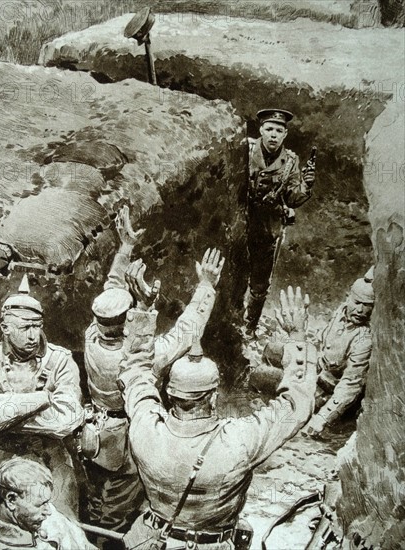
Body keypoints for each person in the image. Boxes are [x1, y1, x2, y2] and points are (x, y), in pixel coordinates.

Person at [117, 259, 317, 550]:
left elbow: (135, 368)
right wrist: (298, 338)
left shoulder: (145, 426)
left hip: (150, 541)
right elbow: (296, 405)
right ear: (212, 396)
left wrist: (143, 309)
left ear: (170, 394)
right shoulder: (238, 441)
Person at [82, 205, 224, 535]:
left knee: (96, 500)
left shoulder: (93, 336)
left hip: (95, 433)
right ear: (126, 319)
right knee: (120, 511)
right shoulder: (143, 358)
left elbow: (112, 285)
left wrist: (126, 246)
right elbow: (188, 330)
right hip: (127, 439)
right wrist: (206, 285)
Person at [0, 276, 84, 519]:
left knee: (60, 525)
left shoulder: (60, 359)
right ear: (5, 328)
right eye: (25, 327)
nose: (33, 336)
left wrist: (3, 414)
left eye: (37, 326)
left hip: (50, 457)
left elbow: (67, 418)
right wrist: (40, 400)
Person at [246, 108, 315, 331]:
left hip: (267, 228)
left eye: (279, 130)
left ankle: (248, 327)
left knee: (259, 283)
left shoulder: (290, 162)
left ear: (285, 134)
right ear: (261, 130)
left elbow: (292, 199)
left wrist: (307, 184)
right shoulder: (245, 149)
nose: (274, 135)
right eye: (269, 129)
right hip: (240, 221)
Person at [302, 267, 374, 437]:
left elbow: (351, 384)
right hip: (316, 370)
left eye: (368, 306)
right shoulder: (341, 312)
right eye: (357, 303)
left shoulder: (364, 339)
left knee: (265, 379)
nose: (360, 310)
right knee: (272, 351)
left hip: (331, 389)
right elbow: (322, 340)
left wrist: (322, 419)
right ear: (348, 298)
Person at [0, 457, 96, 550]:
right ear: (11, 500)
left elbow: (85, 546)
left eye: (47, 502)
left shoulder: (43, 514)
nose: (49, 511)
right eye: (40, 504)